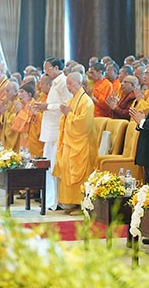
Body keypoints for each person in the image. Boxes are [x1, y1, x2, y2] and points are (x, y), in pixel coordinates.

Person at [53, 72, 97, 214]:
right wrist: (67, 115)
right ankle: (71, 203)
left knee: (79, 173)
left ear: (79, 83)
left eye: (70, 84)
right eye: (67, 84)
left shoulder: (86, 101)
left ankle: (81, 204)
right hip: (70, 142)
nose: (68, 87)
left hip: (81, 144)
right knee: (67, 169)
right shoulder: (73, 99)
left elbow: (83, 125)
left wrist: (69, 115)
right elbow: (66, 119)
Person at [34, 57, 72, 211]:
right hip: (50, 130)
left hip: (57, 130)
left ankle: (56, 200)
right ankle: (49, 199)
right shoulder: (55, 83)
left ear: (56, 68)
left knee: (54, 166)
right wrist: (44, 106)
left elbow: (66, 104)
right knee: (47, 165)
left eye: (47, 69)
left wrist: (47, 106)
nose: (45, 72)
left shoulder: (63, 82)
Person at [0, 81, 20, 151]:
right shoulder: (9, 102)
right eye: (5, 91)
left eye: (8, 91)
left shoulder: (18, 102)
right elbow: (3, 119)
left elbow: (16, 119)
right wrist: (3, 114)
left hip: (15, 137)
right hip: (6, 137)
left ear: (16, 91)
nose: (5, 93)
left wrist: (5, 113)